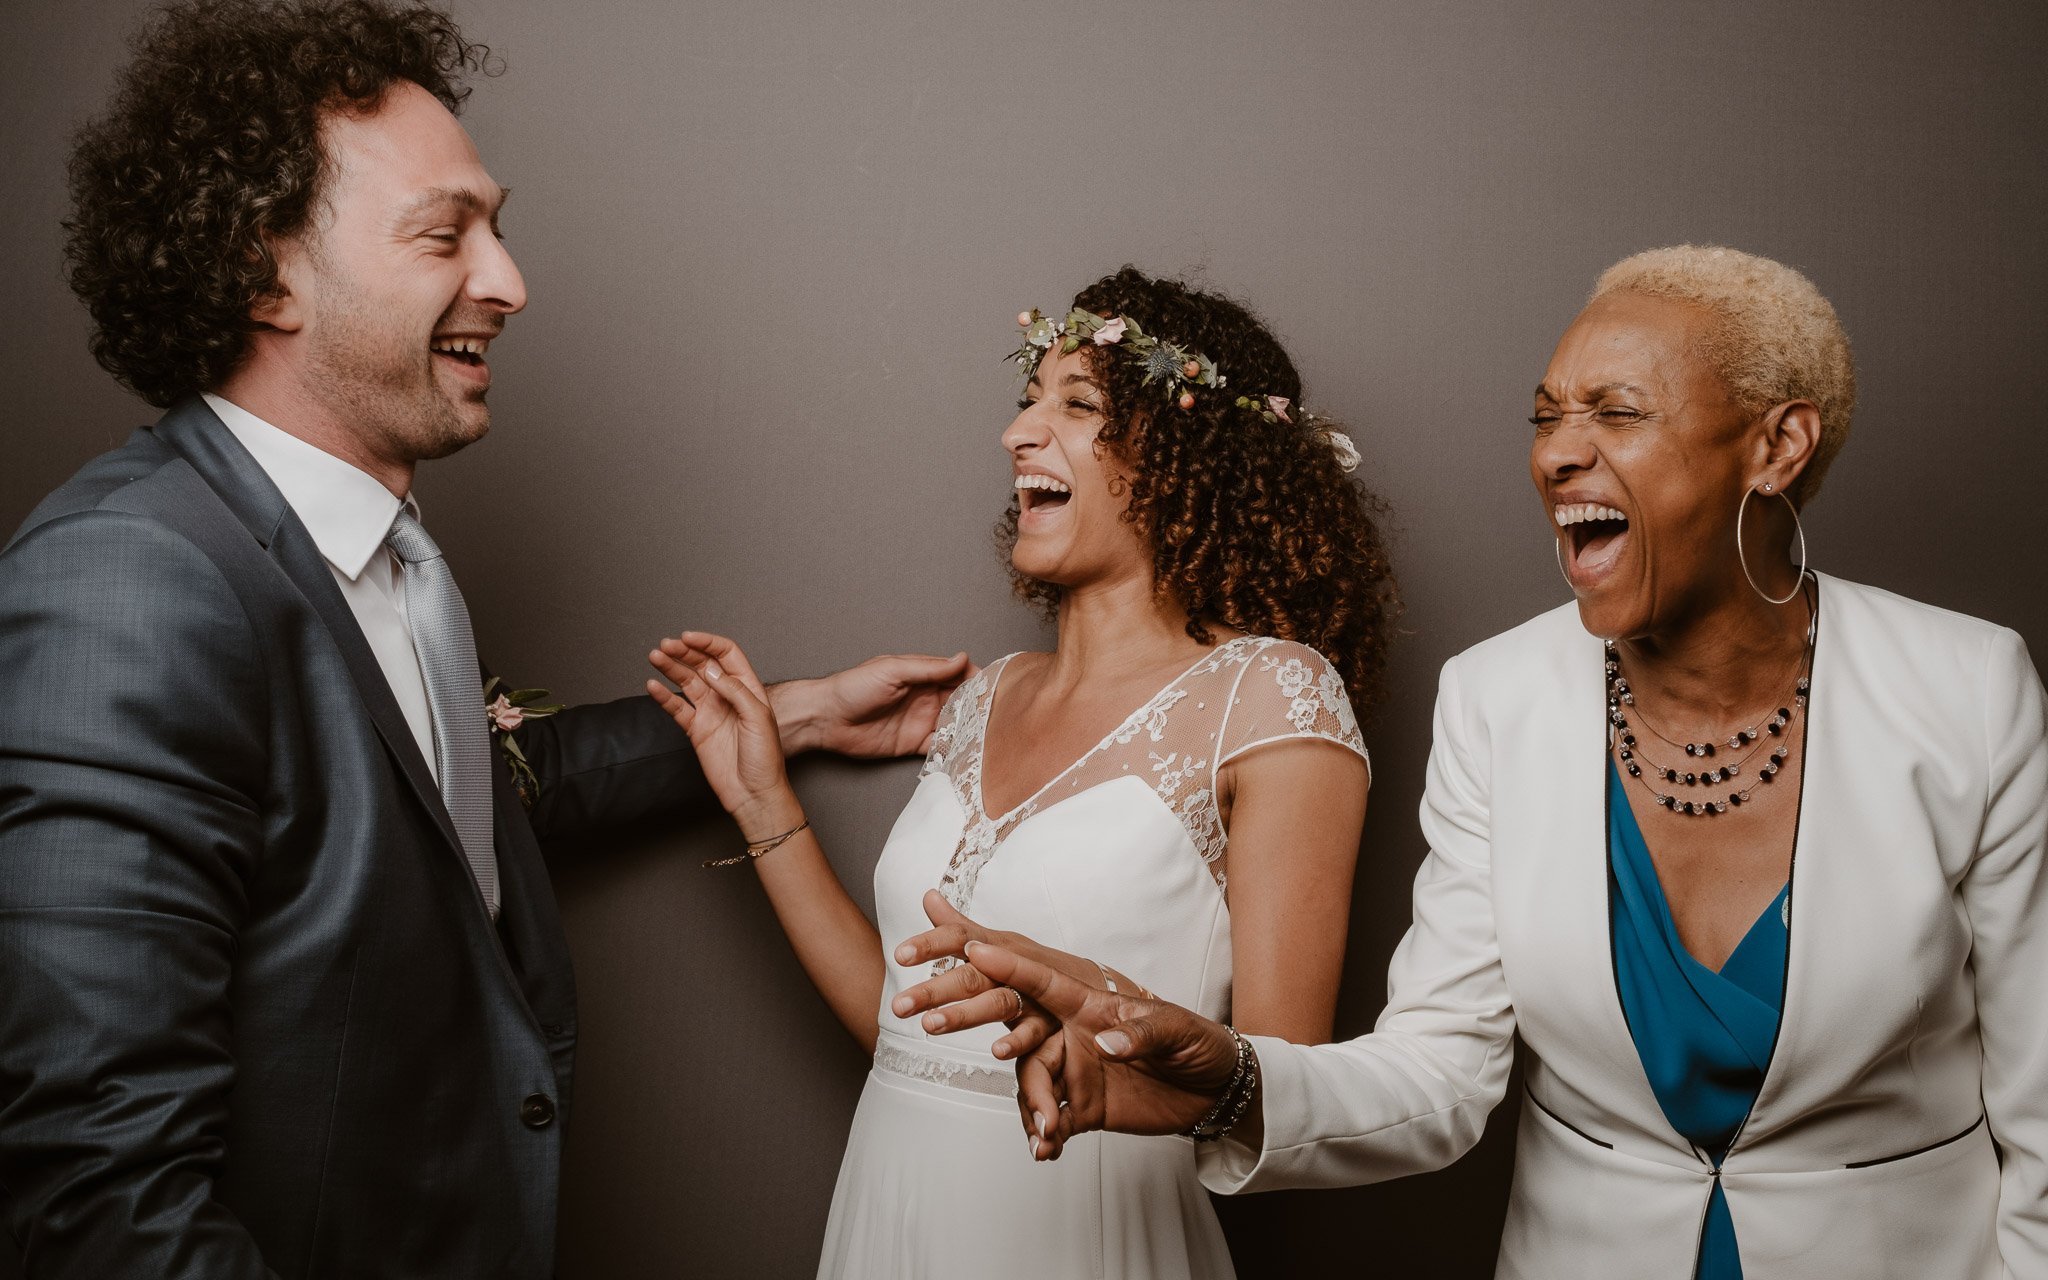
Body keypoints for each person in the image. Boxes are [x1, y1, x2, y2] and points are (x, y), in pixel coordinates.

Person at [0, 4, 966, 1276]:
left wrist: (790, 715)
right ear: (261, 271)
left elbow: (449, 806)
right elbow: (98, 1196)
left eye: (496, 229)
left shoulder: (386, 552)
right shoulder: (127, 582)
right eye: (444, 234)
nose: (507, 282)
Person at [916, 246, 2048, 1278]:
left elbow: (2040, 1111)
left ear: (1773, 445)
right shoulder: (1494, 698)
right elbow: (1440, 1075)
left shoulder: (1967, 687)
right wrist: (1229, 1077)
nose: (1556, 451)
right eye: (1545, 414)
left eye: (1616, 410)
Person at [645, 267, 1398, 1278]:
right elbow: (903, 1024)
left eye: (1075, 404)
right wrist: (758, 796)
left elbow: (1284, 1087)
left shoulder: (1271, 693)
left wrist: (1101, 1019)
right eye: (1026, 399)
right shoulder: (985, 695)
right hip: (887, 1206)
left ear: (1184, 456)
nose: (1018, 433)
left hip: (1086, 1228)